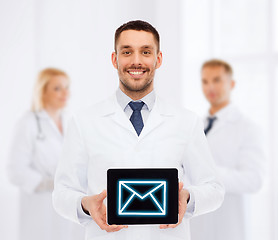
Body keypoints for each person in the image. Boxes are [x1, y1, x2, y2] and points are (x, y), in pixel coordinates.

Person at [52, 20, 225, 240]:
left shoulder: (186, 121)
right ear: (115, 59)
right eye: (127, 52)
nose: (136, 61)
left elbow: (214, 189)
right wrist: (85, 205)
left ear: (158, 59)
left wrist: (187, 198)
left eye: (145, 52)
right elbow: (61, 194)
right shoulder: (84, 121)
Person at [190, 59, 265, 240]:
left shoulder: (246, 127)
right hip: (197, 222)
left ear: (231, 84)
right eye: (205, 81)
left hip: (227, 225)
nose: (210, 88)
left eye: (217, 80)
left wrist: (210, 176)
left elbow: (254, 180)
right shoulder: (195, 125)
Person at [7, 68, 84, 240]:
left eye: (67, 87)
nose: (65, 93)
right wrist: (46, 183)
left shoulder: (71, 122)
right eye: (57, 88)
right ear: (42, 92)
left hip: (68, 203)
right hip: (40, 205)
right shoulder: (28, 123)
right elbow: (15, 170)